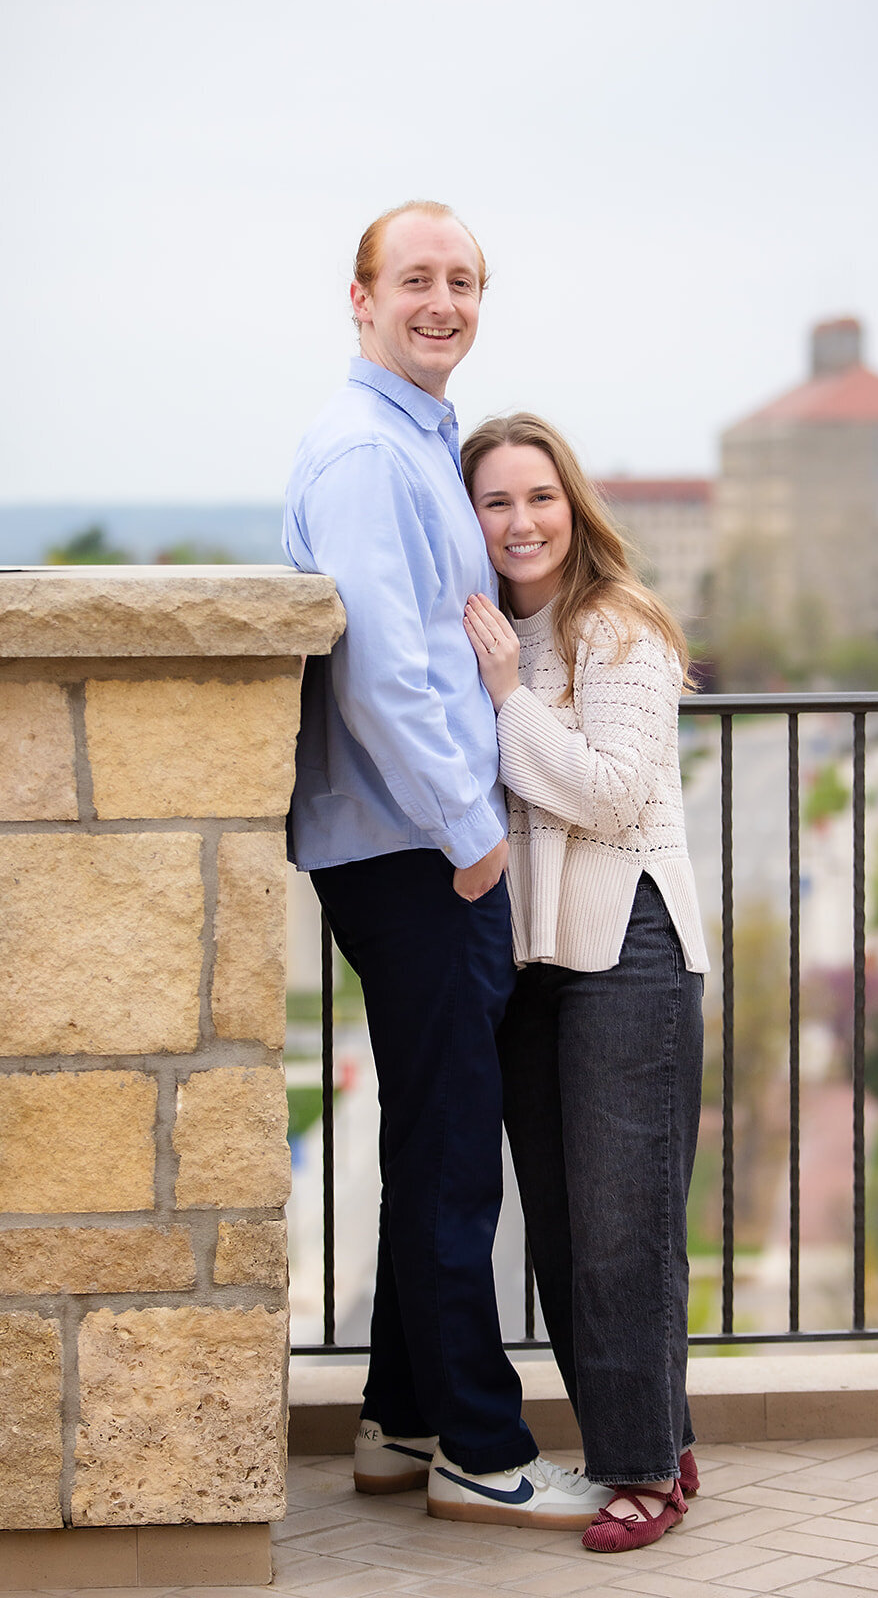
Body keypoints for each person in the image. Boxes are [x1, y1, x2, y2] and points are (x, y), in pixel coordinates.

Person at [282, 205, 608, 1530]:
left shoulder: (418, 438)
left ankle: (398, 1419)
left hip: (423, 847)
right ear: (357, 300)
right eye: (414, 280)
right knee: (451, 1154)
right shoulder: (366, 452)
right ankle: (480, 1448)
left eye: (461, 281)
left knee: (428, 1137)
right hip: (421, 849)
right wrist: (471, 837)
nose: (441, 301)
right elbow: (384, 673)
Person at [461, 413, 710, 1554]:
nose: (521, 522)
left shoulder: (619, 630)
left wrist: (511, 699)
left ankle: (641, 1469)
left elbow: (611, 797)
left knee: (625, 1224)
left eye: (539, 497)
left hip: (628, 955)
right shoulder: (483, 631)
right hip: (528, 962)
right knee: (563, 1229)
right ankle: (658, 1434)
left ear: (575, 508)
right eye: (496, 502)